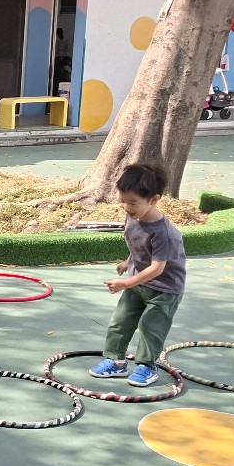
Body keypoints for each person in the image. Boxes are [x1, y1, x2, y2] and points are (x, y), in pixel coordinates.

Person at [89, 163, 187, 388]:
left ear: (154, 199)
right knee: (120, 321)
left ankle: (147, 366)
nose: (126, 207)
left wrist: (125, 283)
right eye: (122, 201)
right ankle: (116, 361)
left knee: (150, 327)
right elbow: (138, 246)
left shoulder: (165, 234)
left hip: (164, 289)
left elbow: (157, 268)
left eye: (133, 203)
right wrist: (128, 261)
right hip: (138, 282)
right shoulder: (133, 217)